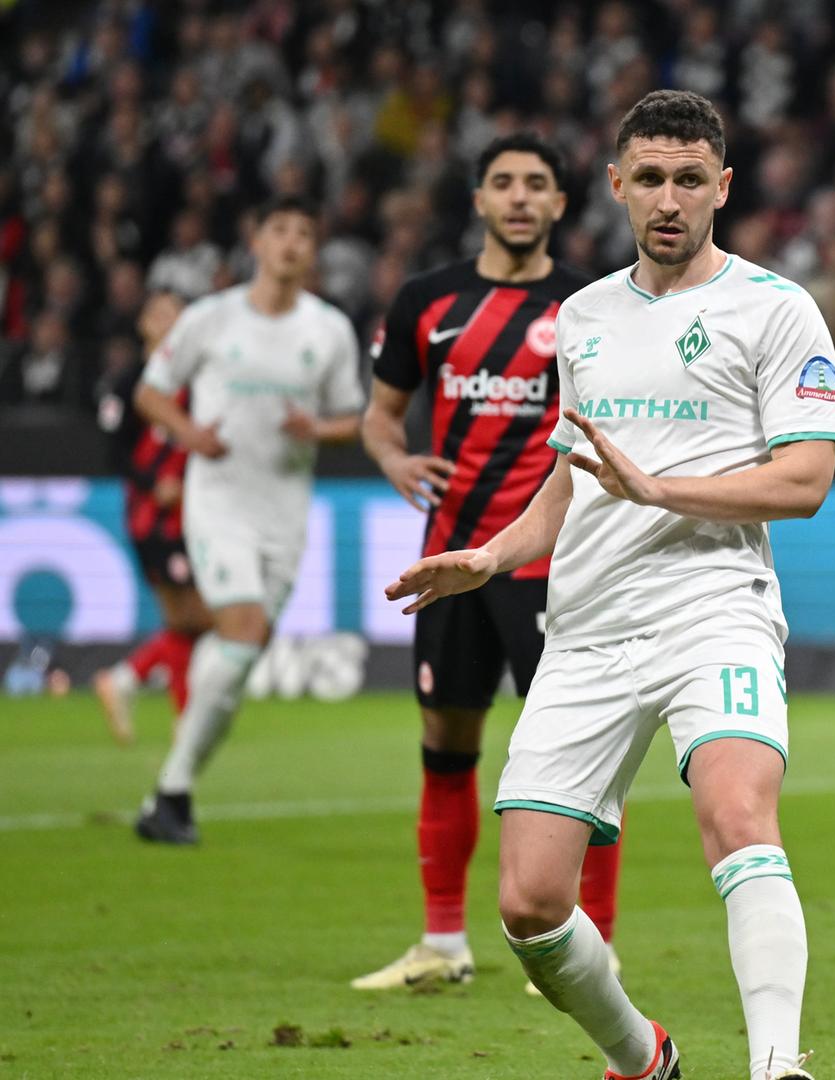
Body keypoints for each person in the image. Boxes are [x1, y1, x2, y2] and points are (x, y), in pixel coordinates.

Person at [387, 90, 835, 1080]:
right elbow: (567, 482)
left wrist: (658, 486)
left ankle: (777, 1066)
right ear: (617, 187)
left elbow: (805, 481)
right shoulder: (581, 317)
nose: (669, 199)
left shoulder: (776, 307)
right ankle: (644, 1059)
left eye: (689, 180)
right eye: (650, 179)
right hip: (587, 627)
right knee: (531, 905)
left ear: (722, 186)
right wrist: (493, 556)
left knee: (738, 818)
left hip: (713, 605)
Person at [351, 134, 627, 994]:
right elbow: (380, 415)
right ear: (477, 199)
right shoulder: (427, 301)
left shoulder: (589, 305)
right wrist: (395, 460)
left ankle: (596, 948)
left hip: (551, 562)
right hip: (451, 557)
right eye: (502, 182)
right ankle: (442, 942)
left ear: (559, 205)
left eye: (536, 184)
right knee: (446, 740)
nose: (518, 197)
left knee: (582, 756)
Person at [131, 195, 365, 844]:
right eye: (280, 230)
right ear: (256, 242)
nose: (292, 243)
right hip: (219, 501)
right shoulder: (210, 319)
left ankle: (169, 794)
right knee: (242, 628)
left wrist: (315, 427)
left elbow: (355, 419)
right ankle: (173, 796)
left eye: (304, 233)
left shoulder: (328, 330)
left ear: (313, 251)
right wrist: (188, 434)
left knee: (237, 656)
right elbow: (150, 392)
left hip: (285, 509)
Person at [93, 290, 211, 745]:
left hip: (193, 512)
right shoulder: (129, 383)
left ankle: (143, 691)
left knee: (189, 620)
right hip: (154, 517)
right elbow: (115, 452)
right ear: (143, 322)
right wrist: (151, 482)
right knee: (194, 618)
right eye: (158, 311)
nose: (166, 320)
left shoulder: (198, 380)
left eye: (175, 313)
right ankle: (138, 685)